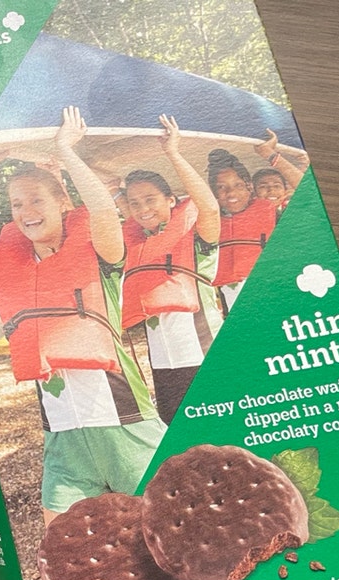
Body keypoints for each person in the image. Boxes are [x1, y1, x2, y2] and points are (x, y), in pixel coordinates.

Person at [0, 107, 165, 526]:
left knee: (171, 540)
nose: (26, 210)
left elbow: (102, 212)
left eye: (37, 199)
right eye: (16, 203)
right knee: (62, 553)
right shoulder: (2, 267)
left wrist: (67, 151)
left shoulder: (102, 252)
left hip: (127, 424)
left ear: (62, 201)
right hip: (62, 439)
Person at [111, 116, 222, 424]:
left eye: (151, 200)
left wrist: (173, 152)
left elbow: (210, 207)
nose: (142, 208)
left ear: (172, 200)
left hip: (203, 352)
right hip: (162, 362)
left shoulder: (198, 235)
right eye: (135, 203)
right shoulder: (142, 241)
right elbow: (137, 216)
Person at [208, 132, 306, 312]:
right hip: (233, 295)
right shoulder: (211, 220)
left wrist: (270, 154)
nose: (231, 193)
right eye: (221, 188)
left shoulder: (278, 214)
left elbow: (307, 189)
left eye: (238, 185)